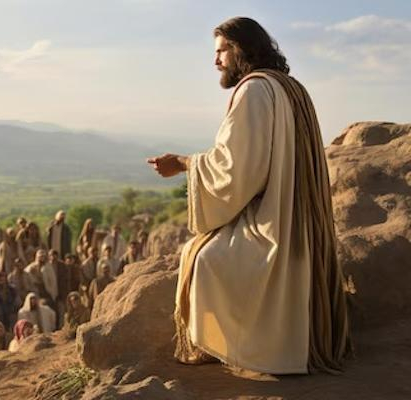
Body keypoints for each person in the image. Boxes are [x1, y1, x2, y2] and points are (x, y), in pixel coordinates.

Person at [147, 17, 350, 374]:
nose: (216, 61)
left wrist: (182, 163)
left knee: (203, 258)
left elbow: (236, 169)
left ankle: (245, 348)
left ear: (241, 49)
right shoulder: (291, 86)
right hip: (300, 218)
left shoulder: (254, 90)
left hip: (276, 220)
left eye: (221, 51)